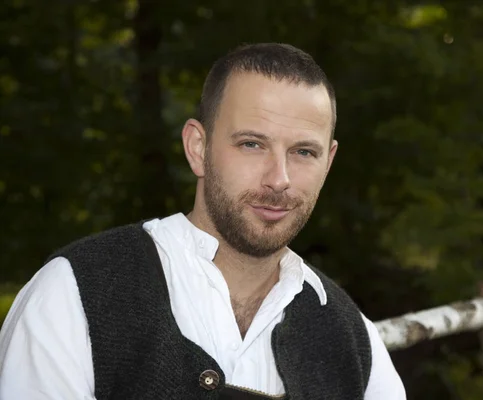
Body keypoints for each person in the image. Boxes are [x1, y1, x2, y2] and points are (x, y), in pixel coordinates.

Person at [0, 43, 406, 399]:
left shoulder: (353, 340)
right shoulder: (76, 295)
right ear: (198, 148)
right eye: (252, 144)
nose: (279, 179)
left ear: (328, 162)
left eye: (303, 152)